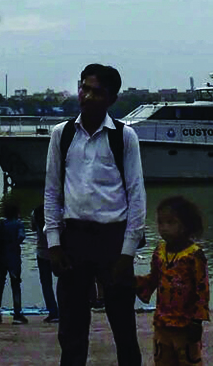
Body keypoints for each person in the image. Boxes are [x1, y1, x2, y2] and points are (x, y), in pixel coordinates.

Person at [44, 63, 147, 366]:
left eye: (97, 92)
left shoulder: (124, 137)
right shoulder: (61, 135)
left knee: (124, 327)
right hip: (73, 238)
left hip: (113, 241)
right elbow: (52, 191)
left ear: (111, 99)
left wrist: (127, 253)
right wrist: (54, 243)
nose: (87, 97)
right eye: (84, 88)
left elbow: (136, 194)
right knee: (72, 330)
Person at [136, 196, 210, 366]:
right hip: (162, 324)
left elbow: (202, 290)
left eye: (170, 223)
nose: (164, 228)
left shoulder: (194, 255)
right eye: (161, 223)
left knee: (189, 361)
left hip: (186, 326)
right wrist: (130, 281)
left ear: (185, 226)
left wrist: (197, 322)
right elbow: (153, 280)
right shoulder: (159, 252)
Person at [0, 199, 29, 324]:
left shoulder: (0, 225)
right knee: (16, 286)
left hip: (1, 259)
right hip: (13, 260)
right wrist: (14, 244)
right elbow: (21, 236)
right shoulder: (18, 224)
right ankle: (17, 315)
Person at [32, 204, 60, 322]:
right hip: (57, 251)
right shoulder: (58, 212)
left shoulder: (35, 213)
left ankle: (53, 312)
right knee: (64, 281)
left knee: (46, 284)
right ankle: (65, 309)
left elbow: (33, 228)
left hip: (42, 252)